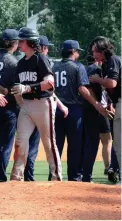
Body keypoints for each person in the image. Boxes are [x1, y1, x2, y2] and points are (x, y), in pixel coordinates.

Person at [0, 29, 40, 183]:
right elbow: (17, 89)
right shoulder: (14, 63)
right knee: (4, 145)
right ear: (15, 44)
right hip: (5, 107)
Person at [9, 27, 62, 181]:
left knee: (48, 142)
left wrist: (28, 88)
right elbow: (18, 88)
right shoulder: (20, 64)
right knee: (20, 142)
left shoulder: (40, 59)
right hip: (26, 105)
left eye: (22, 40)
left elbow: (50, 83)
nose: (19, 43)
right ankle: (16, 177)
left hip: (43, 104)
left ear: (30, 42)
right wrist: (20, 98)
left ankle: (56, 176)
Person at [51, 40, 105, 181]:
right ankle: (74, 177)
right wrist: (95, 103)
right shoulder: (77, 66)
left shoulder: (54, 66)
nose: (79, 53)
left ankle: (54, 175)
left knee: (57, 145)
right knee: (74, 145)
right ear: (73, 52)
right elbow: (82, 88)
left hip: (56, 109)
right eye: (77, 51)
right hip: (74, 110)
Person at [88, 36, 120, 182]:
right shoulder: (105, 64)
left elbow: (112, 83)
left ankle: (115, 168)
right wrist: (110, 104)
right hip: (116, 103)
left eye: (95, 51)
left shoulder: (112, 60)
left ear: (103, 51)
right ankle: (114, 167)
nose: (93, 53)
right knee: (116, 139)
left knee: (118, 139)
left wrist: (97, 80)